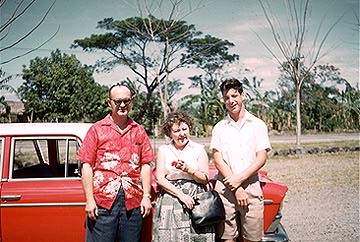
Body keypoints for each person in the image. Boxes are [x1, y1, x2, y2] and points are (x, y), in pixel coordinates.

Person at [77, 84, 155, 242]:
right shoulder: (97, 129)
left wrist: (146, 196)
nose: (122, 105)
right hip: (103, 202)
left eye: (126, 100)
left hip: (133, 203)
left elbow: (146, 164)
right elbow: (86, 165)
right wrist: (90, 200)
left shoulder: (139, 130)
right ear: (109, 103)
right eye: (118, 101)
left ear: (131, 102)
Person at [210, 78, 271, 242]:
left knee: (252, 237)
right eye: (227, 98)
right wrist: (236, 187)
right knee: (227, 237)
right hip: (225, 187)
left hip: (250, 184)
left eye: (234, 95)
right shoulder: (219, 127)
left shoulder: (257, 124)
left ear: (242, 95)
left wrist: (240, 180)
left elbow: (261, 157)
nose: (231, 101)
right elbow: (218, 160)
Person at [153, 112, 215, 242]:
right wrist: (181, 195)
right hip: (170, 198)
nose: (181, 134)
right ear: (169, 133)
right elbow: (160, 178)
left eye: (184, 129)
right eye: (176, 131)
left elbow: (205, 178)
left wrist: (188, 170)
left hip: (195, 198)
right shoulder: (163, 150)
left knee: (196, 235)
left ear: (189, 129)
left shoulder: (199, 149)